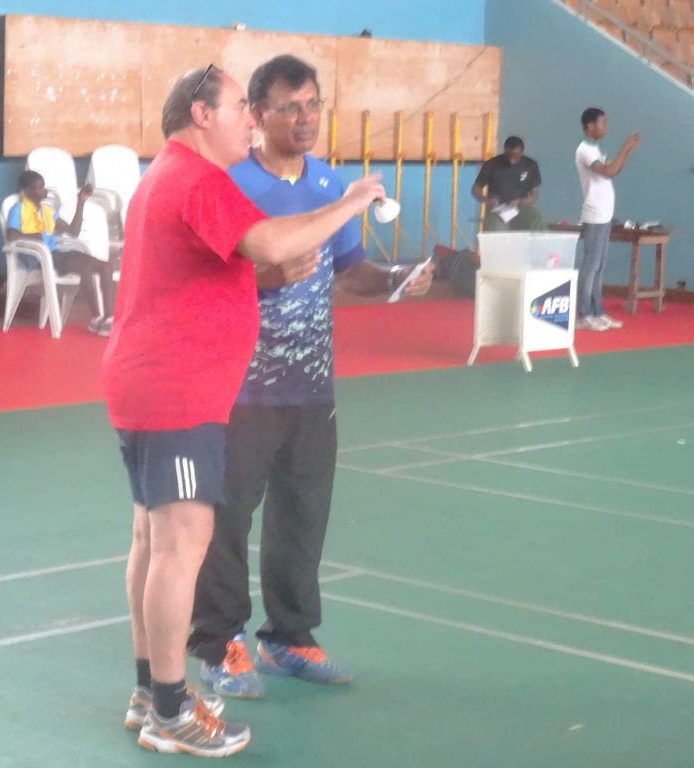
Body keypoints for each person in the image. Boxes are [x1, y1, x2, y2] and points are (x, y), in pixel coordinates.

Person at [102, 63, 386, 757]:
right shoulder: (198, 179)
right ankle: (172, 709)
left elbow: (223, 267)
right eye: (239, 107)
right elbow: (273, 242)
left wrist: (263, 272)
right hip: (178, 389)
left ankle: (149, 693)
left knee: (152, 545)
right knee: (180, 548)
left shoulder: (167, 175)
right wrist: (352, 202)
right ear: (202, 114)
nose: (250, 120)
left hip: (150, 382)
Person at [187, 55, 433, 699]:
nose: (304, 118)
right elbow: (206, 279)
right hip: (240, 388)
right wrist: (268, 275)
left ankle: (289, 637)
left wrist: (398, 278)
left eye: (313, 105)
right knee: (227, 517)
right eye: (289, 107)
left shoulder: (330, 184)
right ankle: (219, 644)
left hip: (312, 385)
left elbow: (350, 271)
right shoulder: (230, 183)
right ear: (257, 115)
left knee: (302, 515)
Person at [6, 171, 117, 336]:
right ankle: (96, 318)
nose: (44, 191)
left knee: (106, 266)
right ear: (27, 190)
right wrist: (34, 236)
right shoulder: (18, 209)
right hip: (40, 257)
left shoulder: (47, 211)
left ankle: (108, 318)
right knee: (85, 268)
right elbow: (11, 235)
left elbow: (73, 232)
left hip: (57, 252)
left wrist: (81, 202)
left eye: (43, 187)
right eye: (39, 188)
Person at [575, 107, 639, 331]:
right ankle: (584, 315)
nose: (606, 127)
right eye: (602, 123)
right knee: (591, 265)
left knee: (599, 266)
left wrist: (627, 152)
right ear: (590, 126)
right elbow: (608, 171)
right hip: (594, 214)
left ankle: (597, 312)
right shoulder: (585, 150)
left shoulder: (594, 148)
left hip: (604, 214)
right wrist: (624, 147)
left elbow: (615, 169)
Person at [471, 136, 544, 231]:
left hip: (521, 207)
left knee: (537, 221)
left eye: (516, 157)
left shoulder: (531, 165)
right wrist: (486, 200)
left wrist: (520, 201)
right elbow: (475, 189)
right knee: (498, 229)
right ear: (504, 151)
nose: (511, 160)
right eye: (508, 156)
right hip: (497, 209)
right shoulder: (491, 165)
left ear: (522, 153)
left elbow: (535, 195)